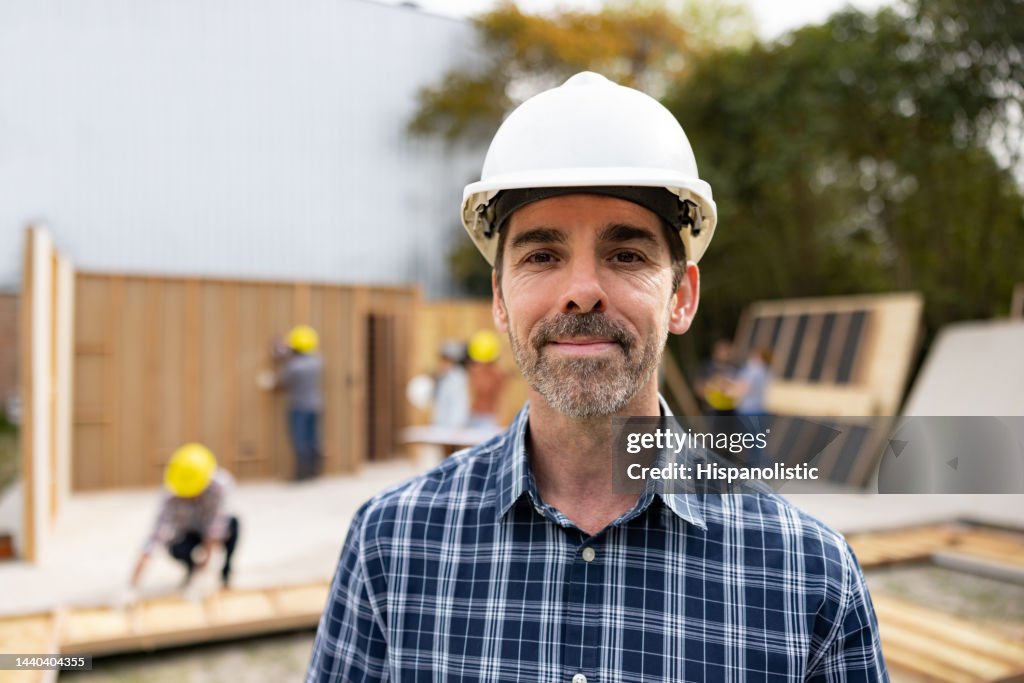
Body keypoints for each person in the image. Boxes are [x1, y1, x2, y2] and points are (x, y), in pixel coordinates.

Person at [308, 72, 887, 681]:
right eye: (542, 255)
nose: (582, 292)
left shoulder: (809, 575)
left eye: (626, 254)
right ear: (500, 299)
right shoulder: (391, 546)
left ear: (681, 297)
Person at [131, 443, 240, 589]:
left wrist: (205, 566)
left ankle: (226, 571)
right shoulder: (171, 494)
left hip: (209, 528)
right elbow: (155, 535)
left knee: (234, 524)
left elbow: (215, 526)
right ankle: (191, 569)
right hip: (189, 532)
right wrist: (132, 584)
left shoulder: (218, 486)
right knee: (175, 547)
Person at [274, 324, 324, 480]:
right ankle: (315, 472)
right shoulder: (318, 361)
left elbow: (281, 382)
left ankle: (301, 475)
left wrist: (282, 355)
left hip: (299, 406)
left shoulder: (293, 365)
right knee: (314, 439)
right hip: (316, 405)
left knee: (300, 441)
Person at [465, 329, 507, 429]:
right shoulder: (473, 371)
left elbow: (497, 396)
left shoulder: (496, 374)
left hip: (489, 418)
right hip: (473, 416)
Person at [430, 340, 470, 428]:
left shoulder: (457, 377)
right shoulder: (444, 377)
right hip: (441, 425)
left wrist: (457, 425)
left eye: (446, 360)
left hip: (451, 429)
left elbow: (460, 404)